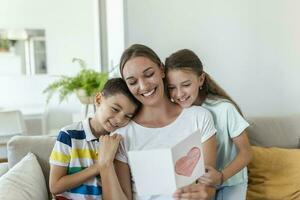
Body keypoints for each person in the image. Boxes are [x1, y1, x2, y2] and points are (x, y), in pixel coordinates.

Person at [98, 44, 217, 200]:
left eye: (149, 74)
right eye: (133, 82)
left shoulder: (199, 118)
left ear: (161, 69)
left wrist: (205, 193)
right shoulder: (122, 135)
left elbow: (208, 187)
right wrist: (105, 165)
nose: (143, 86)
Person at [165, 49, 252, 200]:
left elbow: (246, 153)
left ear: (201, 79)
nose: (179, 94)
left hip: (230, 182)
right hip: (200, 183)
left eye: (185, 84)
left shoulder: (224, 109)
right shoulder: (178, 113)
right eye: (172, 87)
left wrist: (221, 176)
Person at [49, 78, 141, 200]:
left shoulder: (119, 142)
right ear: (98, 100)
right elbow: (55, 186)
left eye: (127, 116)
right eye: (115, 109)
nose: (119, 120)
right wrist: (100, 166)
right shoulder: (68, 135)